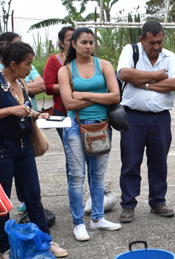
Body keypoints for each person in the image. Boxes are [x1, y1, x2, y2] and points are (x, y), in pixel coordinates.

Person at [0, 41, 69, 259]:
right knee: (2, 201)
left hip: (24, 146)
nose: (30, 68)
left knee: (33, 196)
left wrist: (37, 114)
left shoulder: (20, 81)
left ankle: (44, 240)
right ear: (14, 64)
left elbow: (24, 108)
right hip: (0, 148)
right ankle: (5, 248)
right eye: (28, 64)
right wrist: (8, 110)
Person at [57, 28, 122, 241]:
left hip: (102, 126)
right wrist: (100, 97)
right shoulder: (65, 70)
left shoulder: (104, 65)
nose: (88, 46)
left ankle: (97, 219)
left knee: (98, 176)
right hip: (75, 126)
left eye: (91, 42)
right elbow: (68, 102)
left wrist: (85, 95)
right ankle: (78, 223)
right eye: (83, 42)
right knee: (77, 177)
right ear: (73, 44)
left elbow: (115, 96)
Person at [116, 20, 175, 224]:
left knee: (159, 162)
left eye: (160, 42)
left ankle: (157, 202)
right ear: (142, 39)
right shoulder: (131, 50)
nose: (156, 47)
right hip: (133, 117)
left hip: (160, 118)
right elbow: (125, 74)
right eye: (152, 42)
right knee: (131, 161)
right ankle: (128, 205)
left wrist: (143, 83)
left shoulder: (169, 56)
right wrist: (155, 77)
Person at [0, 32, 45, 111]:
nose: (21, 48)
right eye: (17, 45)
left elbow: (42, 85)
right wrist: (25, 86)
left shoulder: (24, 69)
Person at [43, 25, 75, 139]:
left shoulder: (87, 59)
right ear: (61, 43)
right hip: (62, 112)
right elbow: (48, 88)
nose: (73, 42)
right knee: (70, 149)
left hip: (84, 109)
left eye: (75, 38)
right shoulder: (54, 60)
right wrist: (71, 86)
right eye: (69, 40)